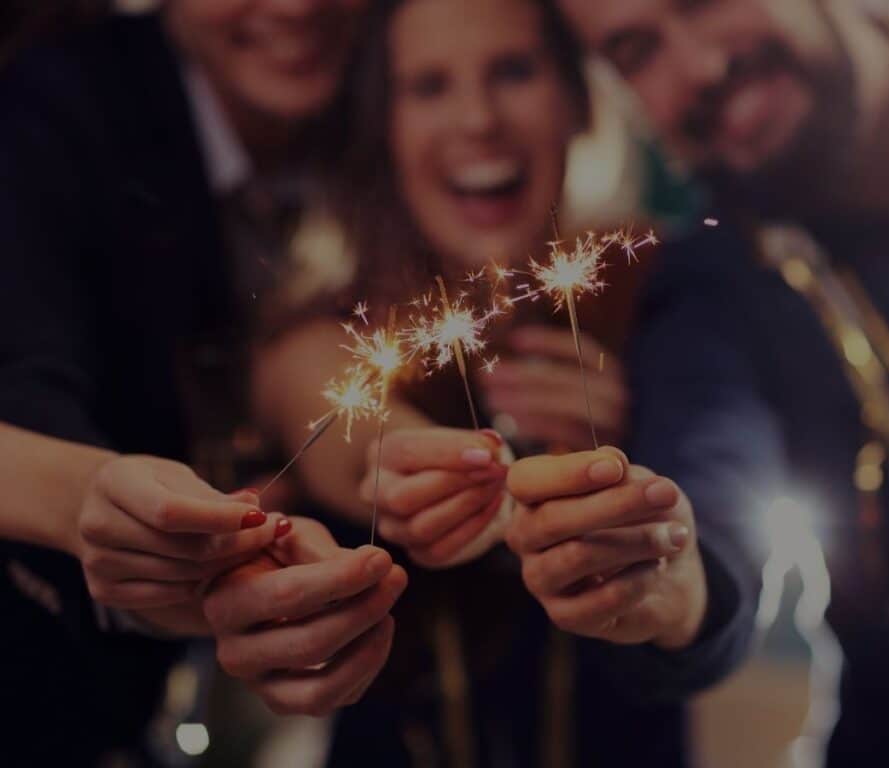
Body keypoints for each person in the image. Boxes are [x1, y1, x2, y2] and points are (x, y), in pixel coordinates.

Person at [246, 0, 774, 764]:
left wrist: (663, 565)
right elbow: (310, 386)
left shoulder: (661, 292)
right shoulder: (343, 329)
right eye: (428, 86)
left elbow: (721, 520)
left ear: (578, 97)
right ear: (382, 125)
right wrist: (417, 469)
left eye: (515, 71)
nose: (477, 120)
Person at [557, 0, 889, 765]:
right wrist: (663, 581)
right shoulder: (713, 286)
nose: (701, 69)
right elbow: (704, 502)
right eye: (638, 51)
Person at [0, 2, 408, 763]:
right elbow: (26, 370)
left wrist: (403, 451)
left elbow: (302, 356)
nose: (297, 6)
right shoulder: (61, 108)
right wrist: (91, 501)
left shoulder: (384, 91)